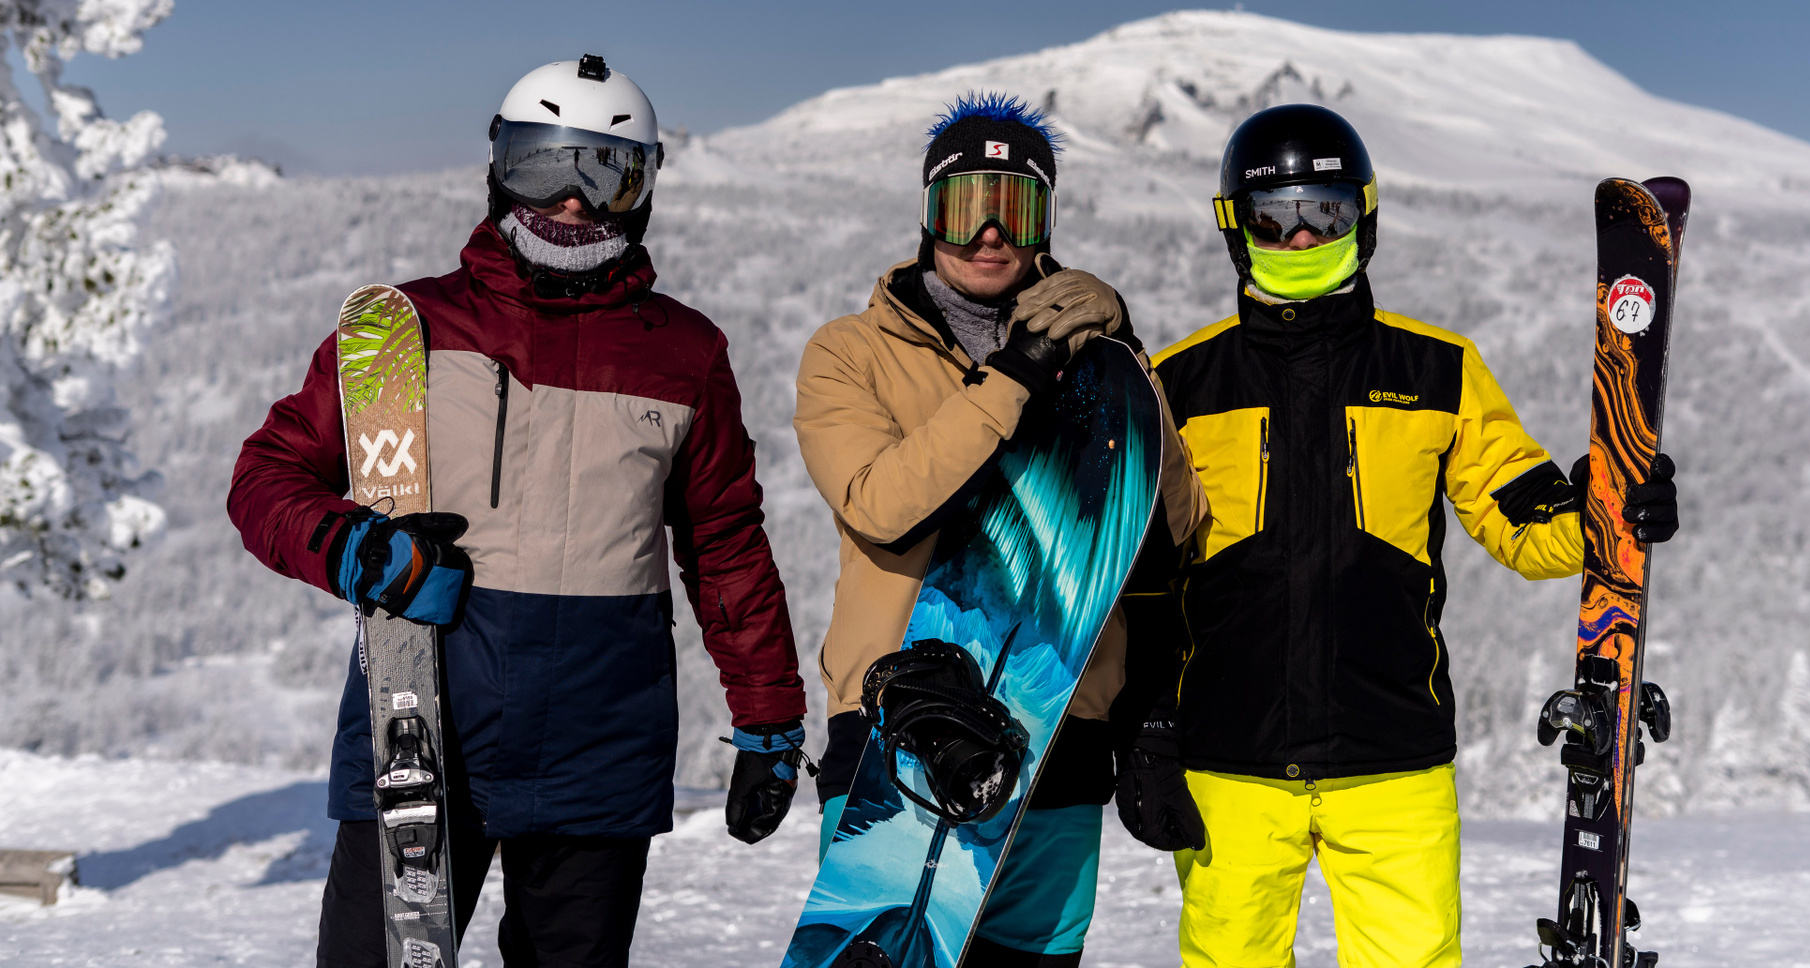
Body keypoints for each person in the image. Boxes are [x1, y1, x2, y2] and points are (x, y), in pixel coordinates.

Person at [229, 55, 808, 968]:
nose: (572, 199)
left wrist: (768, 712)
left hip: (600, 745)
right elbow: (267, 476)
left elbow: (724, 542)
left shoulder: (684, 354)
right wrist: (354, 549)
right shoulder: (408, 330)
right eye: (544, 165)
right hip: (421, 728)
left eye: (606, 172)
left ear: (644, 190)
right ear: (499, 169)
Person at [1118, 104, 1680, 968]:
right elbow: (1144, 576)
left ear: (1364, 218)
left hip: (1392, 761)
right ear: (1236, 228)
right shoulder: (1182, 382)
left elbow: (1522, 521)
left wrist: (1609, 512)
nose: (1301, 238)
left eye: (1326, 212)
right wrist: (1147, 726)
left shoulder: (1436, 370)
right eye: (1274, 218)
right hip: (1230, 763)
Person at [793, 92, 1208, 968]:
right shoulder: (849, 352)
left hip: (1060, 730)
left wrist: (1126, 371)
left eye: (1014, 209)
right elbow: (882, 505)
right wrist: (1015, 375)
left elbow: (1172, 531)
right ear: (927, 215)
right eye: (963, 207)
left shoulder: (1096, 359)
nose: (989, 234)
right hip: (901, 736)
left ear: (1043, 222)